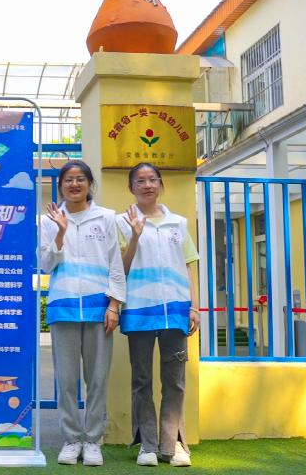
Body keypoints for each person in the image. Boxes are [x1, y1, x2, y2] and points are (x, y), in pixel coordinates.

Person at [40, 160, 126, 466]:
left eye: (80, 179)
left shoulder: (106, 218)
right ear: (60, 185)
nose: (74, 184)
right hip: (63, 306)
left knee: (97, 379)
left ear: (90, 184)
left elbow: (115, 264)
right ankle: (71, 439)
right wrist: (60, 233)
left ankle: (92, 440)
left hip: (98, 307)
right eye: (68, 180)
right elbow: (45, 265)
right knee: (66, 380)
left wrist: (114, 305)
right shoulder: (49, 221)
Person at [116, 162, 199, 468]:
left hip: (175, 310)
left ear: (160, 184)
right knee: (141, 379)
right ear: (131, 187)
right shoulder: (121, 222)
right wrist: (135, 236)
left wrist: (194, 307)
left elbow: (189, 266)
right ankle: (147, 445)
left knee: (175, 381)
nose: (147, 185)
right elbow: (120, 269)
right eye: (140, 180)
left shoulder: (178, 223)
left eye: (152, 179)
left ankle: (172, 444)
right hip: (138, 310)